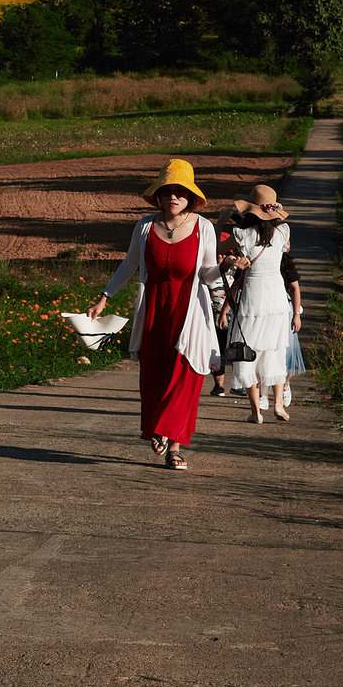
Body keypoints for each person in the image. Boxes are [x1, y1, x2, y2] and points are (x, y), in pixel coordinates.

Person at [94, 158, 224, 469]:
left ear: (190, 196)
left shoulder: (203, 227)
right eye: (167, 192)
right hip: (153, 310)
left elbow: (206, 274)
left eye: (180, 192)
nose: (173, 198)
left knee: (184, 375)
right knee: (154, 376)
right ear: (159, 196)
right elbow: (129, 265)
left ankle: (173, 444)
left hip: (188, 311)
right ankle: (158, 428)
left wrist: (225, 267)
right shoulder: (145, 226)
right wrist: (104, 297)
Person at [220, 184, 304, 422]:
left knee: (247, 351)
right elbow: (281, 248)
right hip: (277, 297)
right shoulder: (283, 232)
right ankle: (278, 404)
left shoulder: (242, 235)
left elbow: (213, 250)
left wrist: (221, 224)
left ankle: (256, 411)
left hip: (253, 297)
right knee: (274, 350)